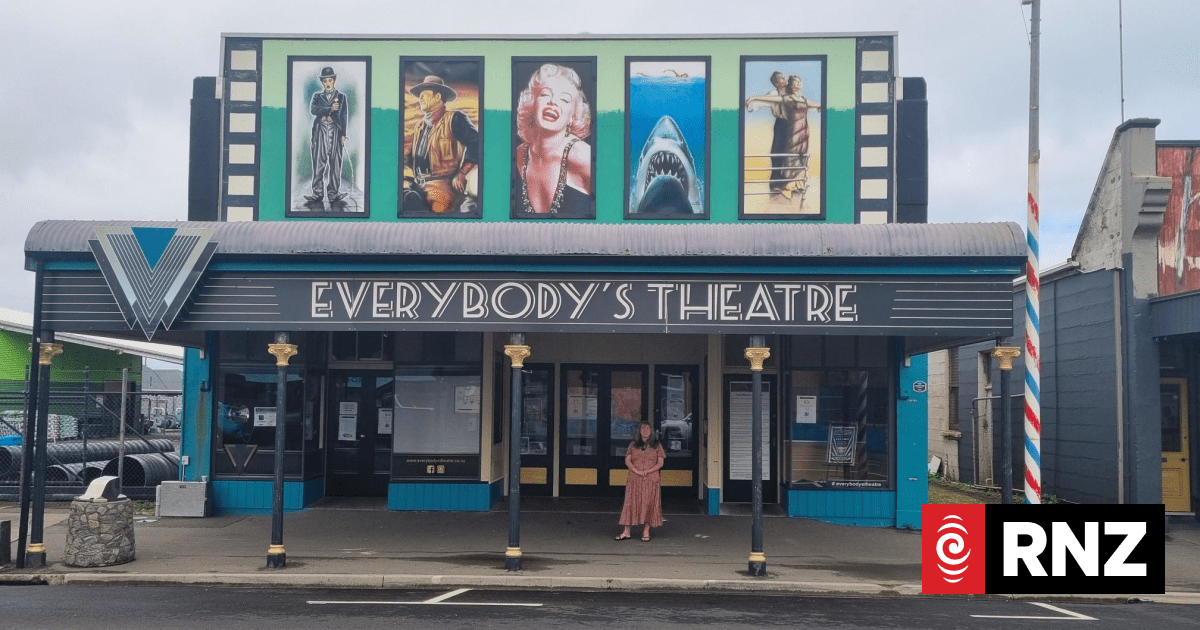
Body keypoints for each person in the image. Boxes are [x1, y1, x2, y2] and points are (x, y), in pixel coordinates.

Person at [515, 64, 592, 214]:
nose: (553, 102)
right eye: (545, 94)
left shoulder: (583, 157)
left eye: (564, 99)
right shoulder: (520, 154)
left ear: (573, 116)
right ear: (532, 105)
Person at [402, 75, 481, 214]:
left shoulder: (455, 119)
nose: (420, 99)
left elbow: (477, 143)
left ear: (437, 96)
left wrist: (462, 174)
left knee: (435, 214)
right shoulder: (419, 126)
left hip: (442, 185)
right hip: (418, 183)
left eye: (424, 95)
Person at [745, 74, 822, 196]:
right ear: (776, 83)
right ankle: (776, 184)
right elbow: (763, 101)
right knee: (777, 152)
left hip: (795, 125)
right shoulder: (774, 94)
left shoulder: (793, 93)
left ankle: (794, 183)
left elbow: (806, 105)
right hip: (781, 124)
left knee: (796, 154)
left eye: (784, 78)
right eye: (781, 78)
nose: (784, 80)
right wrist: (753, 100)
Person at [616, 421, 665, 542]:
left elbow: (660, 462)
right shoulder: (633, 444)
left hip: (651, 479)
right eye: (643, 429)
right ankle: (626, 531)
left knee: (649, 503)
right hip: (635, 478)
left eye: (648, 429)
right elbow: (627, 460)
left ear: (651, 431)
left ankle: (646, 530)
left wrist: (648, 470)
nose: (645, 431)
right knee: (630, 503)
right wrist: (636, 471)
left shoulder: (657, 445)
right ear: (639, 431)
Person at [306, 66, 349, 205]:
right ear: (322, 83)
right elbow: (313, 110)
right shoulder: (317, 96)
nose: (327, 83)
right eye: (325, 81)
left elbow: (343, 116)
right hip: (321, 130)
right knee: (319, 161)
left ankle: (333, 193)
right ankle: (317, 193)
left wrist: (343, 134)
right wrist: (329, 109)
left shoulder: (341, 97)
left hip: (335, 130)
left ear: (334, 81)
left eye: (330, 80)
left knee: (336, 162)